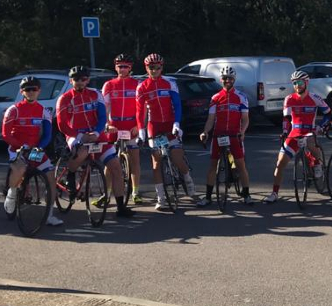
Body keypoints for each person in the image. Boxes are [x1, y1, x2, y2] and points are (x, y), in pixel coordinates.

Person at [58, 66, 134, 218]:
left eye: (83, 79)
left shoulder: (95, 94)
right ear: (71, 80)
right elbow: (62, 125)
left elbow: (102, 117)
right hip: (76, 135)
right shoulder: (64, 99)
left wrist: (98, 132)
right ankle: (71, 176)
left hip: (96, 135)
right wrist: (79, 136)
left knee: (116, 167)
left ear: (88, 80)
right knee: (82, 152)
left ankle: (120, 206)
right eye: (76, 79)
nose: (80, 82)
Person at [136, 53, 204, 210]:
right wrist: (141, 130)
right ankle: (161, 198)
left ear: (162, 68)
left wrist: (177, 123)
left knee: (177, 158)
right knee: (156, 161)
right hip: (154, 126)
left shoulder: (169, 83)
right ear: (147, 68)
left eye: (158, 67)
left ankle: (191, 190)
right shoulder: (142, 87)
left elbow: (177, 105)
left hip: (170, 124)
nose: (154, 70)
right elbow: (139, 112)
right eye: (151, 68)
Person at [263, 70, 331, 203]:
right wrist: (284, 131)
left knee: (311, 143)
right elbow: (287, 119)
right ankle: (274, 193)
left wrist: (322, 126)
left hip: (309, 131)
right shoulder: (289, 99)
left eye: (299, 82)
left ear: (306, 83)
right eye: (294, 83)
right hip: (295, 132)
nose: (297, 85)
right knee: (280, 163)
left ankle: (317, 163)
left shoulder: (315, 98)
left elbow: (328, 113)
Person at [2, 76, 59, 225]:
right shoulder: (13, 110)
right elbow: (6, 134)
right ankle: (12, 194)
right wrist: (19, 146)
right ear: (22, 91)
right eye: (28, 89)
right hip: (17, 149)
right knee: (20, 168)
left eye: (34, 89)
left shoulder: (44, 111)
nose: (31, 92)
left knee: (50, 176)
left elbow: (47, 134)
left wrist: (40, 146)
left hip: (35, 149)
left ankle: (49, 215)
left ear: (39, 91)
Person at [199, 66, 253, 206]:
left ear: (234, 80)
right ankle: (208, 197)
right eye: (224, 78)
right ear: (221, 79)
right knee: (212, 166)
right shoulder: (215, 98)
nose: (227, 81)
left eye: (229, 78)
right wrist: (205, 132)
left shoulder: (241, 97)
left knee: (241, 165)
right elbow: (211, 119)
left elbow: (245, 118)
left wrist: (242, 131)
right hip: (219, 134)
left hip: (235, 135)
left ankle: (246, 194)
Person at [102, 53, 142, 204]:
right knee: (109, 161)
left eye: (125, 67)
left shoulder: (137, 84)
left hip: (131, 125)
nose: (122, 69)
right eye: (120, 66)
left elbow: (141, 109)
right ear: (115, 67)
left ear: (130, 68)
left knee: (135, 160)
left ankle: (135, 192)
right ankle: (106, 194)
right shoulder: (109, 85)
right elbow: (104, 108)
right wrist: (107, 125)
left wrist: (138, 125)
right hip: (115, 125)